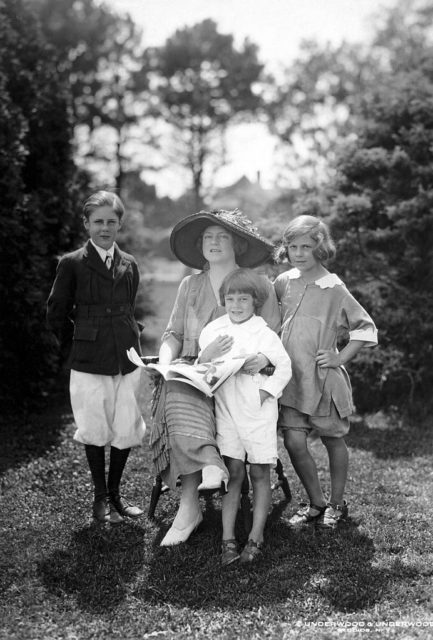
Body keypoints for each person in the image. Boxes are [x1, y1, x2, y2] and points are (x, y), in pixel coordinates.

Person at [154, 209, 280, 546]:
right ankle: (190, 503)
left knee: (191, 394)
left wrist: (262, 358)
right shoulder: (189, 285)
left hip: (240, 376)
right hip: (196, 369)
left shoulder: (257, 284)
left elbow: (273, 336)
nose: (213, 242)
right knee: (178, 387)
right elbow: (173, 334)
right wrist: (167, 363)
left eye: (222, 236)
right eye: (207, 237)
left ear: (237, 243)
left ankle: (208, 467)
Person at [46, 190, 146, 524]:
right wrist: (75, 344)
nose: (105, 228)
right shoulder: (72, 263)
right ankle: (100, 497)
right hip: (89, 356)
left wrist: (130, 335)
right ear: (87, 223)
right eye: (98, 221)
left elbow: (129, 307)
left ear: (119, 225)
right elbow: (56, 312)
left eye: (111, 222)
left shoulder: (129, 263)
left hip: (127, 355)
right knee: (94, 424)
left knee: (125, 423)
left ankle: (116, 493)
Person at [274, 215, 378, 530]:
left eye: (307, 246)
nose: (300, 253)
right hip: (292, 380)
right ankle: (316, 501)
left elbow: (364, 327)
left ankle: (336, 503)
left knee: (334, 440)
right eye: (293, 247)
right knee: (293, 441)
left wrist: (339, 357)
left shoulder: (334, 287)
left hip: (323, 379)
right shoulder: (283, 282)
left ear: (321, 247)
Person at [198, 268, 292, 565]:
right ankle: (228, 539)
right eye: (230, 298)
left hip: (257, 410)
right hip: (226, 410)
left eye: (243, 299)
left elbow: (285, 367)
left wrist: (267, 393)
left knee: (259, 472)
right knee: (233, 473)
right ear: (223, 300)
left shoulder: (263, 333)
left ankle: (255, 536)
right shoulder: (213, 330)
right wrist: (206, 354)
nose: (236, 305)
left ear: (255, 301)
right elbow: (202, 371)